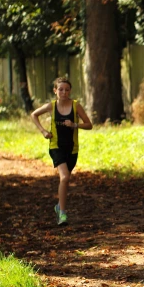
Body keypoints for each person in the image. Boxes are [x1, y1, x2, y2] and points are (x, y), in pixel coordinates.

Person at [30, 77, 93, 226]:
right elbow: (34, 115)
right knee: (64, 178)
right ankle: (63, 214)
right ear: (55, 91)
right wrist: (43, 131)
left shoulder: (76, 106)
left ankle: (59, 207)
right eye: (60, 89)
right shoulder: (51, 106)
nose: (64, 92)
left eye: (67, 89)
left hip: (72, 148)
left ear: (70, 91)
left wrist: (75, 124)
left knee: (65, 180)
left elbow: (89, 125)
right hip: (55, 146)